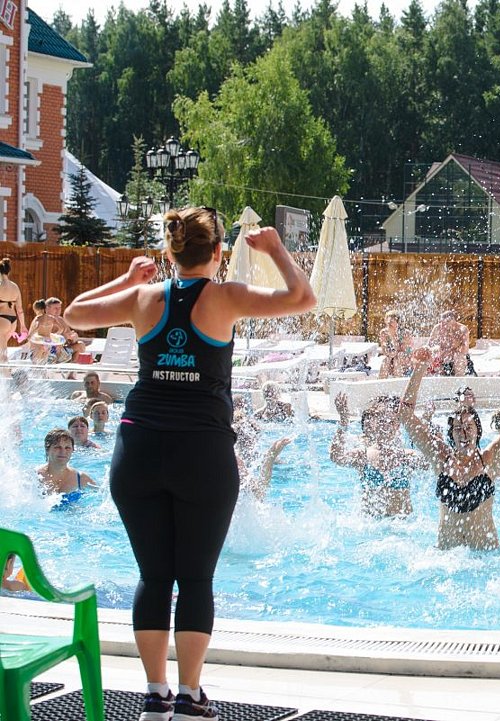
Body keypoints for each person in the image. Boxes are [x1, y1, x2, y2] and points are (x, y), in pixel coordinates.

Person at [64, 207, 315, 721]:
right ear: (218, 253)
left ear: (170, 251)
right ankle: (189, 696)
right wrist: (274, 249)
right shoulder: (225, 297)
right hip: (202, 453)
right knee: (195, 579)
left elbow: (73, 314)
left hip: (137, 451)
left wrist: (129, 279)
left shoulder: (143, 299)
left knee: (154, 576)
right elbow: (302, 298)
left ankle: (154, 695)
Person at [399, 338, 500, 550]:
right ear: (451, 434)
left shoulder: (490, 460)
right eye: (457, 429)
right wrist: (419, 369)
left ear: (478, 432)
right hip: (447, 559)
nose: (464, 433)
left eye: (469, 427)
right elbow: (405, 415)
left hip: (486, 559)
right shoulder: (440, 458)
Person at [331, 393, 423, 517]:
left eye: (390, 421)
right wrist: (343, 422)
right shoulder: (363, 455)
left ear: (397, 425)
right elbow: (337, 457)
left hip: (402, 523)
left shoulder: (408, 457)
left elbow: (437, 464)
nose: (385, 425)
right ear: (373, 423)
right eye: (381, 420)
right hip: (370, 522)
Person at [37, 428, 97, 509]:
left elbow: (102, 496)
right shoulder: (35, 477)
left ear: (72, 450)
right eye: (57, 447)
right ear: (47, 449)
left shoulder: (81, 478)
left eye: (67, 448)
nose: (63, 452)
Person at [428, 309, 470, 376]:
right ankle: (433, 377)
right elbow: (429, 345)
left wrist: (452, 349)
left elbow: (465, 349)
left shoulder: (462, 329)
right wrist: (439, 349)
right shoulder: (437, 328)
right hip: (442, 353)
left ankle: (459, 378)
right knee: (433, 354)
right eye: (441, 322)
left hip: (457, 355)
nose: (442, 325)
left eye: (445, 323)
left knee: (458, 357)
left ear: (453, 321)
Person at [0, 257, 27, 361]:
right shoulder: (15, 286)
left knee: (2, 352)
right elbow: (20, 309)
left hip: (2, 319)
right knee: (2, 348)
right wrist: (23, 326)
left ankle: (5, 370)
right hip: (13, 321)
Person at [377, 309, 414, 378]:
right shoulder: (384, 333)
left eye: (391, 321)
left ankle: (398, 381)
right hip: (391, 358)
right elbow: (384, 350)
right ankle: (381, 381)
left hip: (405, 358)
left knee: (398, 358)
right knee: (386, 360)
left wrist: (393, 338)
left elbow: (406, 351)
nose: (389, 323)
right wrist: (390, 354)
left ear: (398, 322)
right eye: (387, 321)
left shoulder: (406, 333)